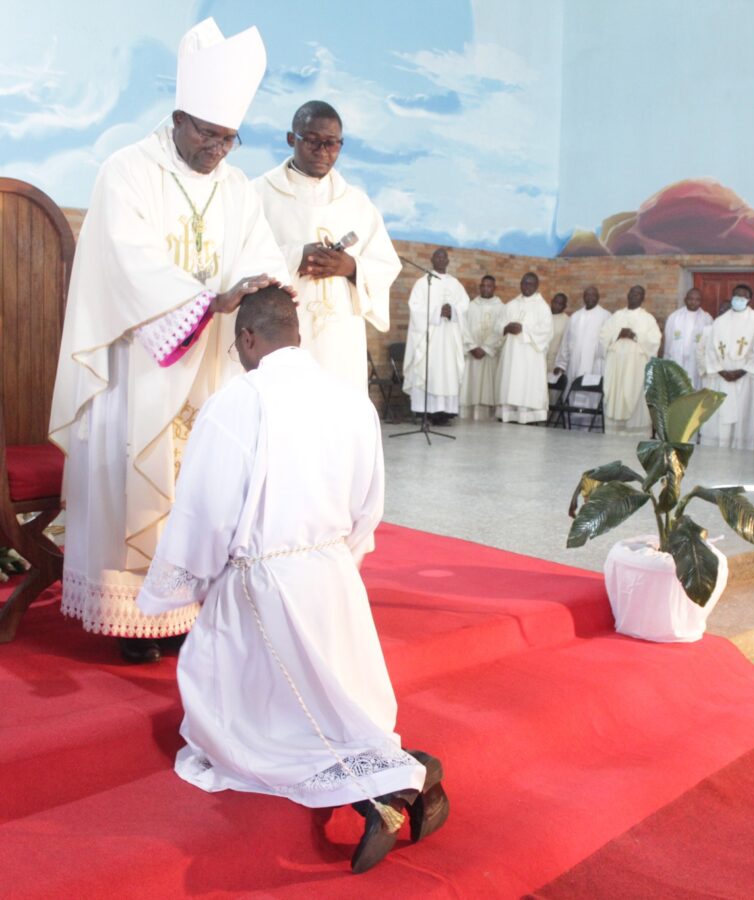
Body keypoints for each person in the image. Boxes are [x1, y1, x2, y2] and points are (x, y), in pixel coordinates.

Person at [136, 287, 448, 873]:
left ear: (248, 338)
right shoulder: (352, 401)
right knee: (337, 702)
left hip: (262, 586)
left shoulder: (238, 402)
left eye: (237, 346)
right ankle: (405, 769)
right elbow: (368, 506)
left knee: (262, 730)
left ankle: (382, 788)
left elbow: (204, 509)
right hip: (333, 578)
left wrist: (195, 582)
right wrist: (334, 559)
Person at [48, 19, 291, 664]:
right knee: (142, 475)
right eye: (208, 133)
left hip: (209, 366)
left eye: (229, 138)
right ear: (179, 117)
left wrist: (264, 284)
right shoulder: (125, 171)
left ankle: (186, 611)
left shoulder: (237, 188)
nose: (218, 149)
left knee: (202, 490)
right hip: (144, 365)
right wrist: (205, 302)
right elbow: (126, 263)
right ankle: (132, 618)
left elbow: (257, 253)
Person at [253, 101, 401, 390]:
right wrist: (296, 257)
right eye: (312, 140)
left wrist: (351, 267)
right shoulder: (257, 194)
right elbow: (238, 257)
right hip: (280, 330)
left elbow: (386, 264)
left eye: (332, 143)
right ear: (290, 138)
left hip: (339, 337)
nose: (323, 151)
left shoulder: (357, 203)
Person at [403, 248, 470, 425]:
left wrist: (453, 311)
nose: (441, 260)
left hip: (449, 338)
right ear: (432, 260)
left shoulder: (456, 284)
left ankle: (445, 413)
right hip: (429, 338)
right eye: (437, 257)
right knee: (428, 370)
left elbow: (464, 306)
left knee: (447, 371)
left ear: (448, 261)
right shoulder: (422, 283)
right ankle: (424, 412)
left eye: (444, 257)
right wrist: (436, 312)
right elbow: (415, 307)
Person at [697, 284, 754, 450]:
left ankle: (742, 451)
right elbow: (711, 349)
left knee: (743, 415)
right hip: (722, 377)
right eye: (736, 296)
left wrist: (742, 371)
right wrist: (721, 371)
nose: (738, 299)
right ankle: (718, 450)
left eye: (742, 297)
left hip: (745, 377)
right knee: (720, 415)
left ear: (749, 300)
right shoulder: (720, 321)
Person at [599, 285, 662, 435]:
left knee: (636, 394)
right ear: (627, 295)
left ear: (643, 298)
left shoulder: (647, 319)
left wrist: (635, 335)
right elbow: (603, 336)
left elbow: (655, 340)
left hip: (636, 367)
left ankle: (636, 433)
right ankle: (614, 432)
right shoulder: (617, 316)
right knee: (616, 392)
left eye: (639, 294)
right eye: (632, 293)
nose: (635, 296)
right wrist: (618, 334)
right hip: (616, 366)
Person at [495, 272, 554, 424]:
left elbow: (547, 332)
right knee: (511, 383)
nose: (526, 286)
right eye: (524, 283)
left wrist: (523, 330)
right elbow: (497, 326)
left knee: (526, 385)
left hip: (530, 357)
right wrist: (506, 328)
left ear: (536, 286)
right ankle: (508, 415)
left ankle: (527, 417)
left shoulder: (542, 307)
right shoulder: (511, 305)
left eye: (530, 284)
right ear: (520, 284)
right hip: (511, 355)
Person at [554, 286, 611, 428]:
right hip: (574, 365)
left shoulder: (606, 316)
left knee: (591, 398)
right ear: (583, 297)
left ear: (598, 297)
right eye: (587, 295)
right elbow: (566, 342)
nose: (590, 297)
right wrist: (561, 364)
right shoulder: (575, 317)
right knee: (573, 396)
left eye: (593, 295)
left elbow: (608, 343)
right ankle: (572, 424)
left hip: (595, 365)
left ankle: (592, 427)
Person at [460, 274, 504, 420]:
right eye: (483, 286)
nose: (486, 289)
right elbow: (463, 329)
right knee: (471, 386)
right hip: (473, 355)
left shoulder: (502, 308)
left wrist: (486, 348)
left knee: (488, 388)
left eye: (489, 286)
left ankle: (489, 420)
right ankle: (467, 417)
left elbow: (501, 332)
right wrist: (472, 347)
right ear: (480, 287)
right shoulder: (470, 306)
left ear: (495, 288)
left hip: (490, 356)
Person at [662, 288, 712, 389]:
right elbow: (668, 341)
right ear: (685, 299)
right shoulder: (674, 317)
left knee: (694, 390)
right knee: (676, 389)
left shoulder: (707, 319)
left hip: (696, 363)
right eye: (691, 299)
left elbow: (709, 344)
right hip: (676, 359)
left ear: (701, 301)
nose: (693, 302)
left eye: (697, 300)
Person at [546, 292, 570, 372]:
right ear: (551, 301)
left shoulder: (567, 321)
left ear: (565, 306)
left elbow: (567, 345)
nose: (557, 306)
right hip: (540, 359)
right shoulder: (544, 316)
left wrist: (561, 365)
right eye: (555, 302)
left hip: (555, 362)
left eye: (560, 304)